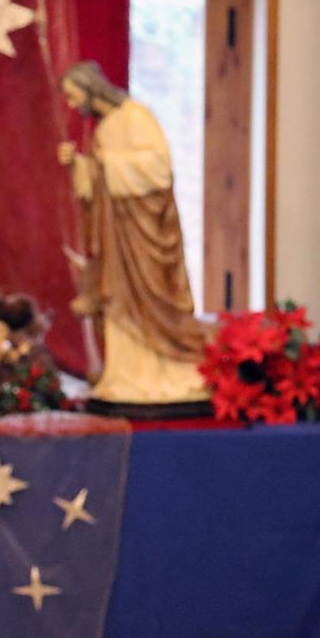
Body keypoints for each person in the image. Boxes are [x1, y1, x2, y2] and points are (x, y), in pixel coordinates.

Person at [58, 61, 210, 404]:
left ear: (89, 89)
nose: (71, 104)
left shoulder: (136, 116)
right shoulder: (105, 127)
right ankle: (128, 375)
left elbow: (157, 169)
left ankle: (167, 371)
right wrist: (79, 166)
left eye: (72, 95)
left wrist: (102, 166)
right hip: (117, 236)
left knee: (151, 296)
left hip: (144, 234)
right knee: (118, 297)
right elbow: (97, 183)